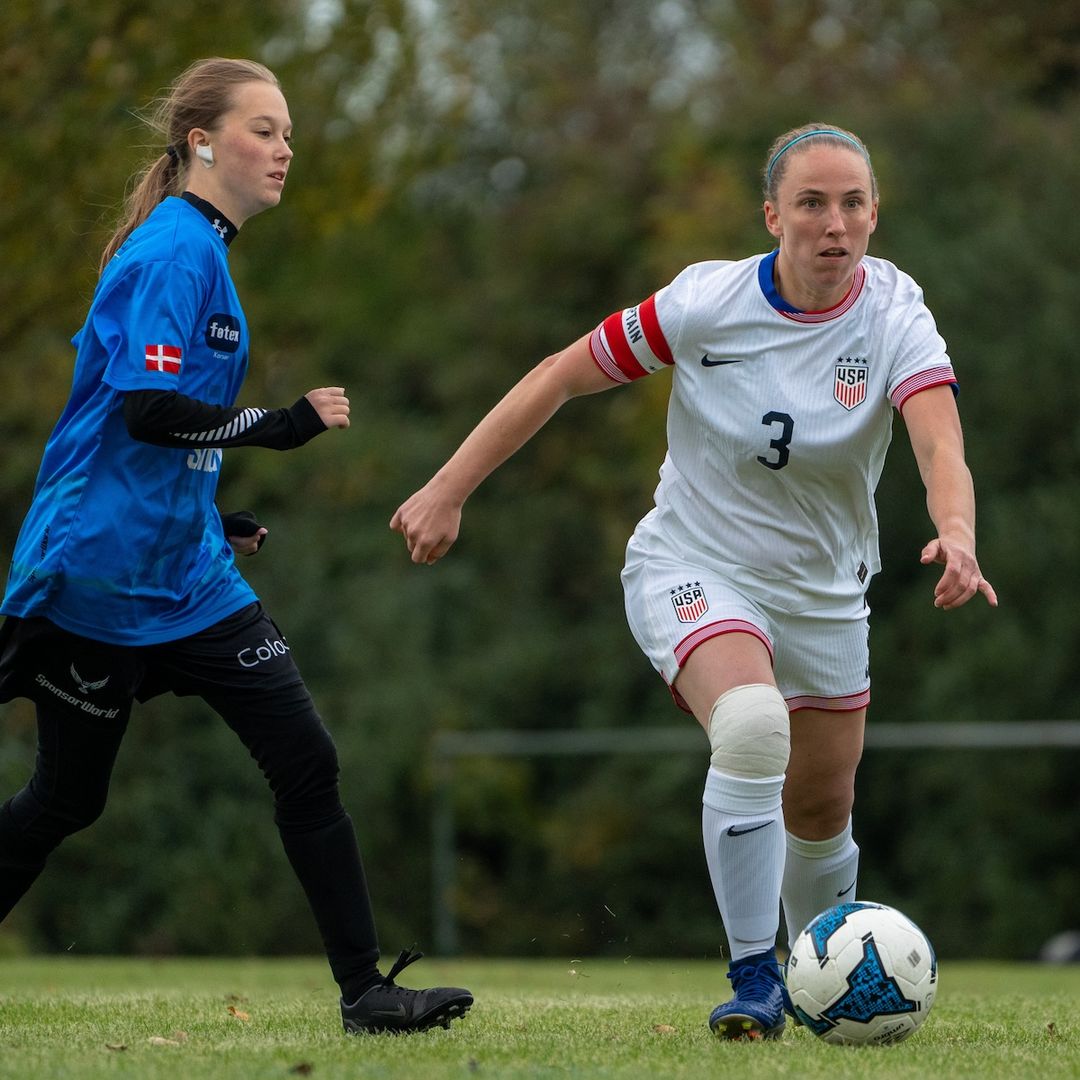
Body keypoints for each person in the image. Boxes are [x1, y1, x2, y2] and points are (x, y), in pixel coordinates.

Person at [390, 123, 997, 1040]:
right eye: (811, 203)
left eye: (853, 203)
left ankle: (826, 985)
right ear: (772, 215)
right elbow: (561, 375)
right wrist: (447, 488)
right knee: (752, 729)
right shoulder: (704, 304)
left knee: (823, 814)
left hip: (826, 595)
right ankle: (754, 979)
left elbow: (939, 441)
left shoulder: (896, 317)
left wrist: (957, 533)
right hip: (695, 565)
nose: (835, 225)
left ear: (875, 213)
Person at [0, 57, 471, 1036]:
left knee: (306, 760)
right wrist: (279, 424)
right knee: (64, 802)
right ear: (201, 140)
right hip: (94, 578)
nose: (284, 147)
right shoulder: (175, 253)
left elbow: (162, 440)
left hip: (189, 577)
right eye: (264, 128)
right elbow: (147, 411)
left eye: (287, 130)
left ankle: (366, 995)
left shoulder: (204, 251)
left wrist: (213, 517)